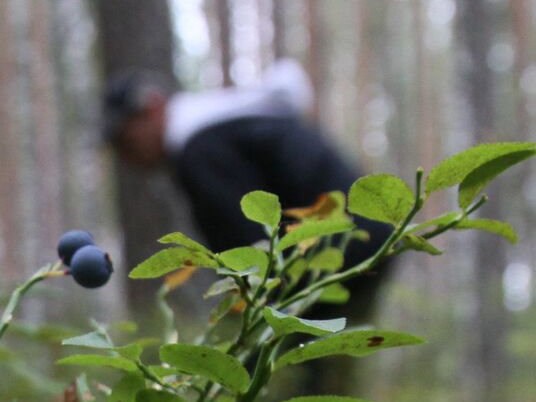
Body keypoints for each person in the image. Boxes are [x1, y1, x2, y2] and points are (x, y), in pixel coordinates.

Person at [103, 61, 390, 332]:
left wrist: (250, 312)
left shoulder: (200, 149)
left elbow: (244, 240)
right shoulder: (220, 127)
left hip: (341, 244)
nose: (127, 157)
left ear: (152, 109)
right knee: (327, 354)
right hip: (364, 234)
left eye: (125, 140)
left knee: (299, 358)